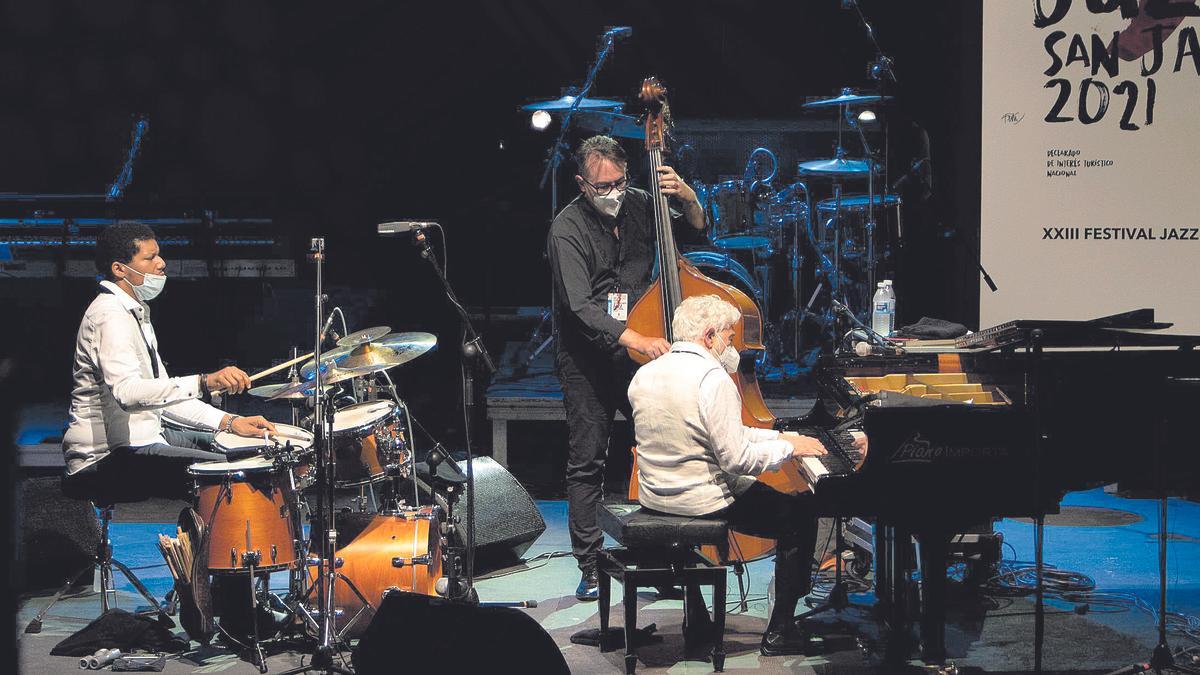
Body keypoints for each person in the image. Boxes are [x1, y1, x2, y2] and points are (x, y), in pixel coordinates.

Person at [627, 294, 866, 656]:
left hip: (656, 494)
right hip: (701, 499)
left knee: (783, 502)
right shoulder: (713, 379)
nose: (733, 346)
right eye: (729, 336)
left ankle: (700, 618)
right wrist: (789, 450)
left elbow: (719, 435)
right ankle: (782, 630)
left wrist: (781, 438)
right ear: (709, 336)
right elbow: (736, 458)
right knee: (800, 516)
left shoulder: (646, 374)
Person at [547, 134, 707, 600]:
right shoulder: (566, 229)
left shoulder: (642, 204)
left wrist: (689, 197)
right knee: (587, 460)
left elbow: (696, 230)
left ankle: (660, 554)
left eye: (620, 181)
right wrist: (636, 338)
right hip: (587, 357)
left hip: (637, 351)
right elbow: (579, 307)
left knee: (661, 448)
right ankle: (591, 564)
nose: (614, 192)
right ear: (582, 184)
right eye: (603, 186)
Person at [62, 222, 279, 499]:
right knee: (231, 474)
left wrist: (230, 421)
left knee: (241, 446)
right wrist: (204, 381)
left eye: (159, 255)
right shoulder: (110, 316)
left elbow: (165, 399)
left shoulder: (133, 312)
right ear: (119, 269)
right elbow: (128, 395)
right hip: (107, 456)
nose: (161, 264)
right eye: (150, 258)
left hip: (147, 436)